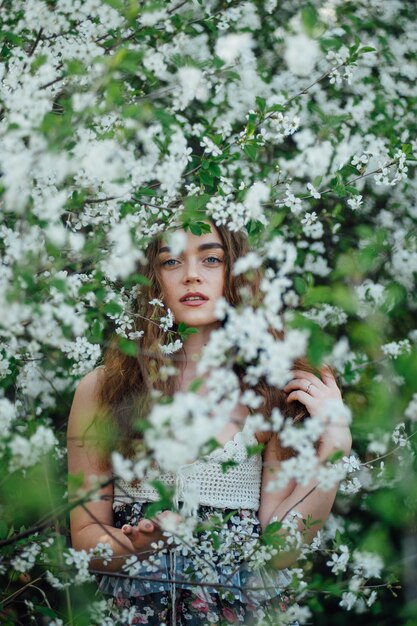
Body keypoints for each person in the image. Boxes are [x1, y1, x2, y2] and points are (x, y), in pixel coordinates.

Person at [67, 223, 352, 625]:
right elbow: (84, 538)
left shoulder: (268, 392)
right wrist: (144, 546)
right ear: (153, 279)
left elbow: (282, 549)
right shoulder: (103, 390)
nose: (192, 275)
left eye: (211, 258)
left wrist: (337, 442)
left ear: (235, 274)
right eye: (171, 261)